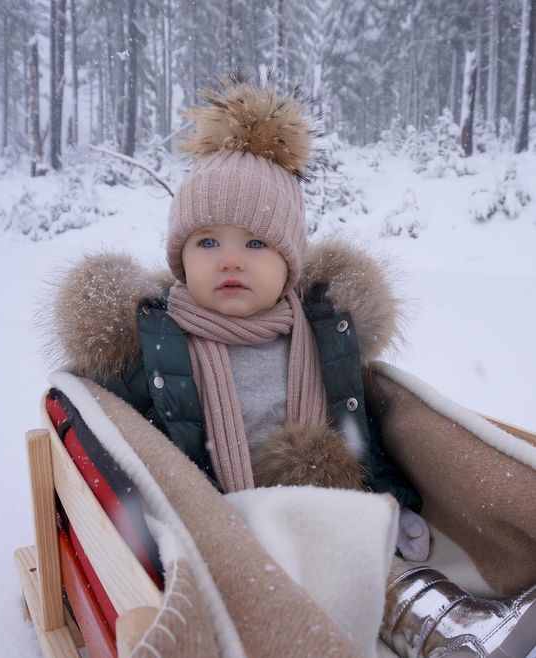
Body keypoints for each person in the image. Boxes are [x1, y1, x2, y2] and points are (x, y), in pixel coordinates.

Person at [51, 75, 535, 657]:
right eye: (207, 242)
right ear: (179, 258)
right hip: (223, 519)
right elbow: (118, 432)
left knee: (364, 552)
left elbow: (356, 428)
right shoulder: (158, 343)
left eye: (256, 245)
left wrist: (390, 497)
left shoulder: (320, 335)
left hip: (323, 498)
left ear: (289, 265)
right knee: (307, 570)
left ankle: (449, 623)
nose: (230, 259)